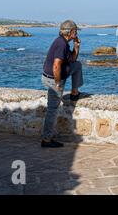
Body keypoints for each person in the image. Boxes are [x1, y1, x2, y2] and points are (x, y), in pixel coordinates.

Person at [41, 20, 83, 148]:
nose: (76, 33)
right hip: (53, 79)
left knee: (77, 65)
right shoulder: (61, 44)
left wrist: (76, 46)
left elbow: (72, 60)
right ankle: (46, 140)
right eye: (75, 31)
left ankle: (74, 92)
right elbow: (56, 65)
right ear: (70, 32)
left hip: (53, 76)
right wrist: (58, 84)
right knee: (52, 110)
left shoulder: (64, 42)